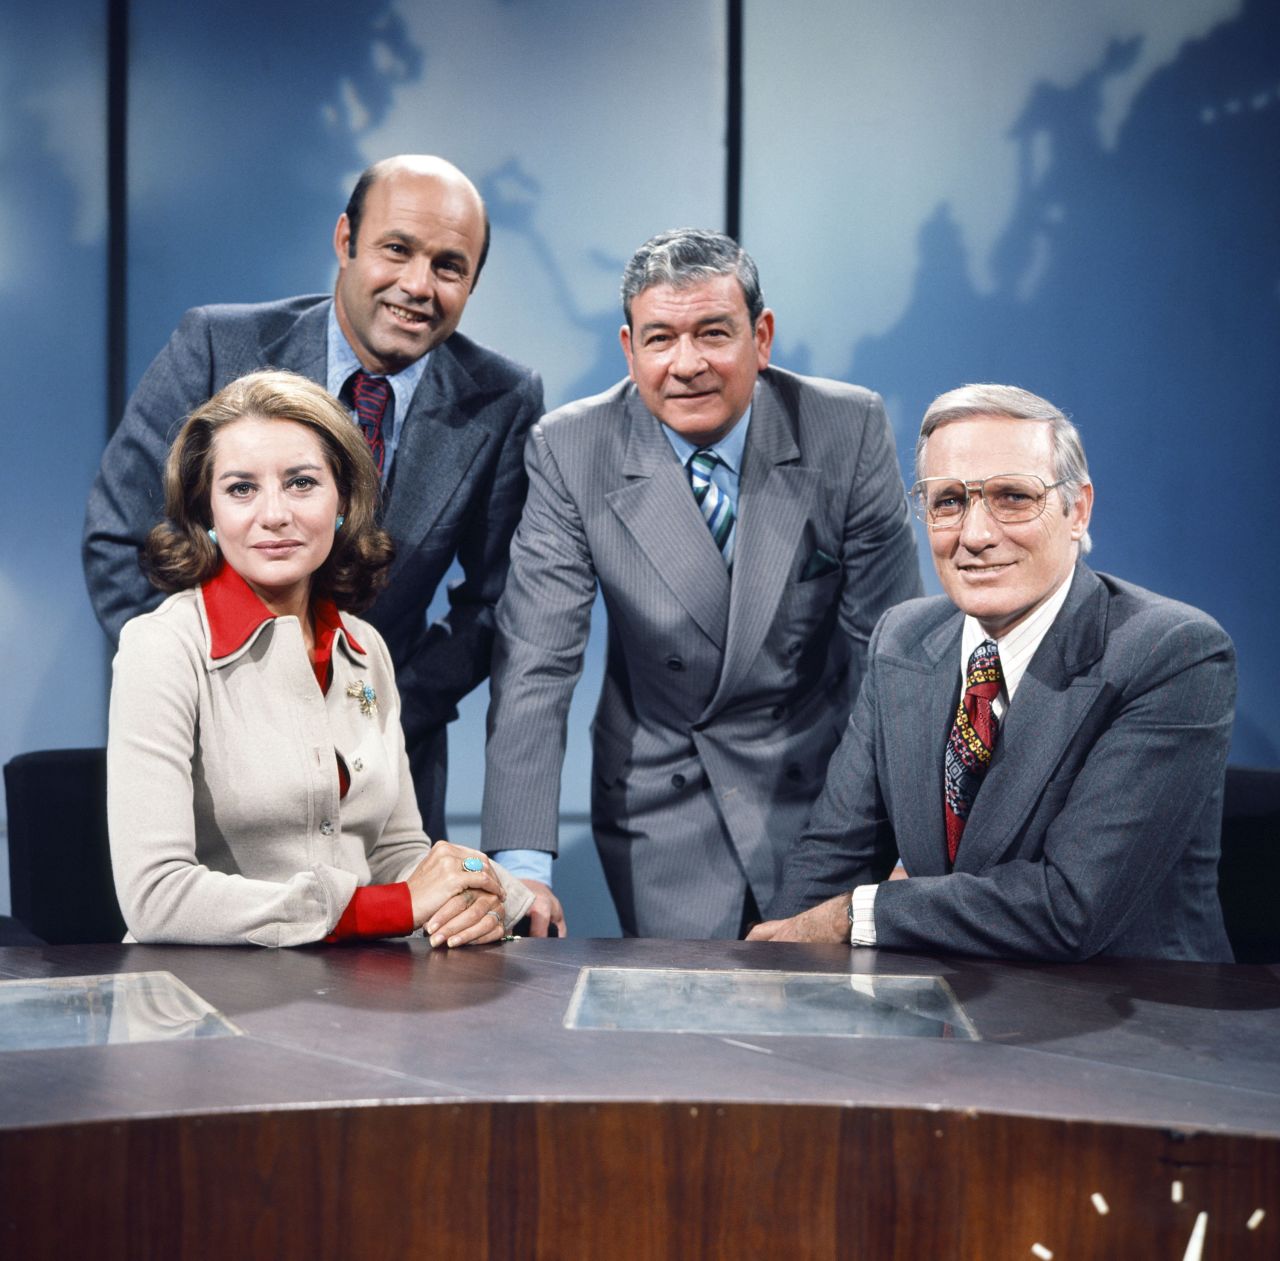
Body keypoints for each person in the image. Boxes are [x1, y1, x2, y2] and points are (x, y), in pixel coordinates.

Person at [83, 154, 543, 855]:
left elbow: (497, 605)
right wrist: (210, 694)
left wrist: (377, 711)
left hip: (384, 784)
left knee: (391, 959)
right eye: (396, 249)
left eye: (450, 266)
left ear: (472, 281)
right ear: (344, 240)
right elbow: (121, 539)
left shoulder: (503, 399)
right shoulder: (216, 345)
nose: (418, 285)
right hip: (217, 768)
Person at [480, 229, 922, 938]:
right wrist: (523, 867)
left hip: (827, 790)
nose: (686, 365)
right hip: (665, 795)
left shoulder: (847, 427)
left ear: (763, 335)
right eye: (660, 339)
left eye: (713, 333)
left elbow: (894, 658)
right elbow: (537, 663)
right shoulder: (570, 448)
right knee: (688, 1035)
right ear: (628, 348)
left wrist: (914, 836)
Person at [750, 384, 1236, 962]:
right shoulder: (903, 638)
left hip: (1131, 1020)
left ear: (1076, 510)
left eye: (1011, 497)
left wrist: (857, 913)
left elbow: (1069, 908)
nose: (975, 535)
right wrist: (770, 976)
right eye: (948, 501)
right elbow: (832, 852)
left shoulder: (1171, 653)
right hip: (946, 1014)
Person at [108, 370, 533, 947]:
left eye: (301, 483)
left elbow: (395, 850)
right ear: (206, 513)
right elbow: (156, 898)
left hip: (360, 992)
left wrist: (468, 896)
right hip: (203, 1001)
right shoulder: (161, 647)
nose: (275, 514)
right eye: (240, 488)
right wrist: (393, 906)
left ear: (345, 501)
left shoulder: (365, 648)